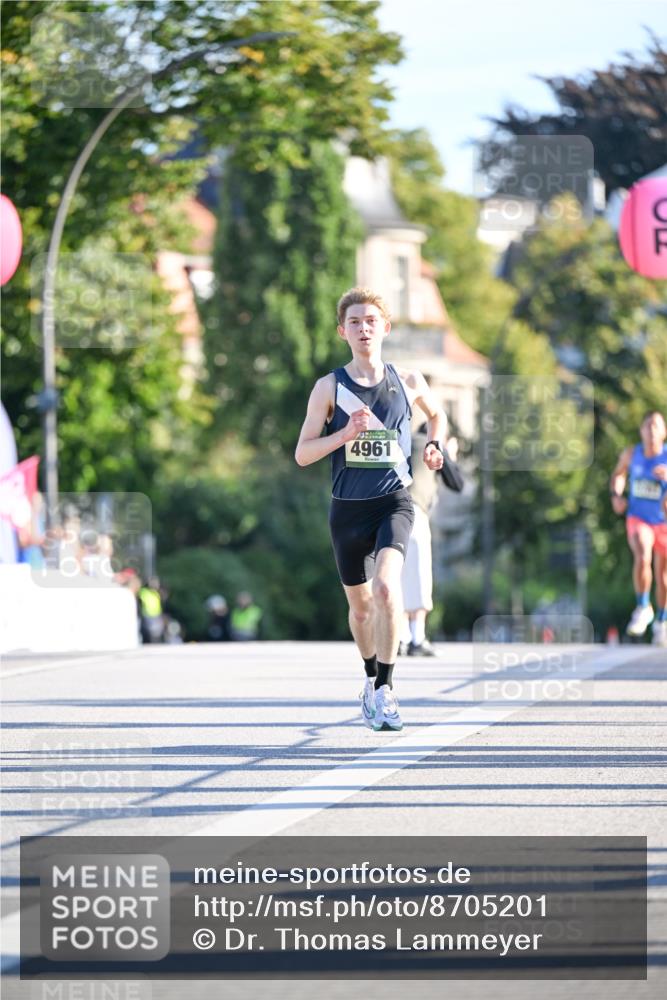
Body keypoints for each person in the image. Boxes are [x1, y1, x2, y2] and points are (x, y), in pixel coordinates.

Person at [295, 287, 447, 731]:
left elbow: (436, 416)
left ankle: (387, 689)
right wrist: (343, 435)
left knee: (386, 588)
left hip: (395, 502)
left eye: (371, 321)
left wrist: (434, 446)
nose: (364, 329)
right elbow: (303, 453)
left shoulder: (408, 380)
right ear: (343, 331)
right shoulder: (329, 387)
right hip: (347, 509)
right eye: (355, 322)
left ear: (386, 328)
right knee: (361, 609)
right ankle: (369, 679)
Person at [399, 425, 461, 656]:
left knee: (398, 575)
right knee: (419, 573)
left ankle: (401, 637)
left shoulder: (405, 441)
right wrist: (449, 454)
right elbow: (457, 483)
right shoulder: (434, 447)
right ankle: (418, 638)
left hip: (386, 511)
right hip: (414, 512)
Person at [609, 411, 667, 645]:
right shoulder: (632, 454)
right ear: (641, 431)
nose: (651, 431)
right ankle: (643, 607)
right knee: (642, 554)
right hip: (638, 517)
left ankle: (662, 622)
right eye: (647, 426)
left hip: (663, 521)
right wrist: (616, 495)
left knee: (663, 577)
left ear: (663, 432)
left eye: (656, 426)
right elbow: (618, 475)